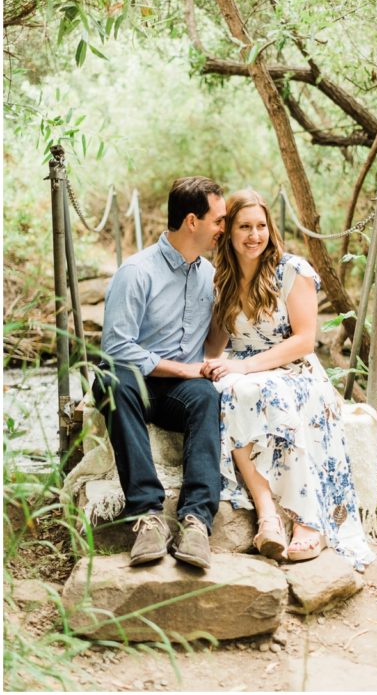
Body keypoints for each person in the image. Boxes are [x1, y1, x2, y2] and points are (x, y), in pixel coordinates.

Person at [203, 189, 375, 569]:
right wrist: (204, 365)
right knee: (226, 391)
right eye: (244, 226)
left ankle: (307, 521)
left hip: (294, 370)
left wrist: (245, 367)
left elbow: (303, 341)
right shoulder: (222, 278)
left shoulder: (291, 270)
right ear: (229, 231)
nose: (254, 235)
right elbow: (217, 343)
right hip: (246, 369)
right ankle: (268, 517)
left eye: (261, 226)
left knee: (260, 389)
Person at [93, 176, 226, 569]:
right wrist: (182, 369)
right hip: (134, 381)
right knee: (110, 380)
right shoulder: (136, 272)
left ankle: (197, 521)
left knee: (206, 395)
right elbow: (116, 347)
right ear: (191, 221)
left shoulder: (209, 275)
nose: (223, 228)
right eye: (218, 220)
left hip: (180, 391)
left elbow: (213, 346)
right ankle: (148, 515)